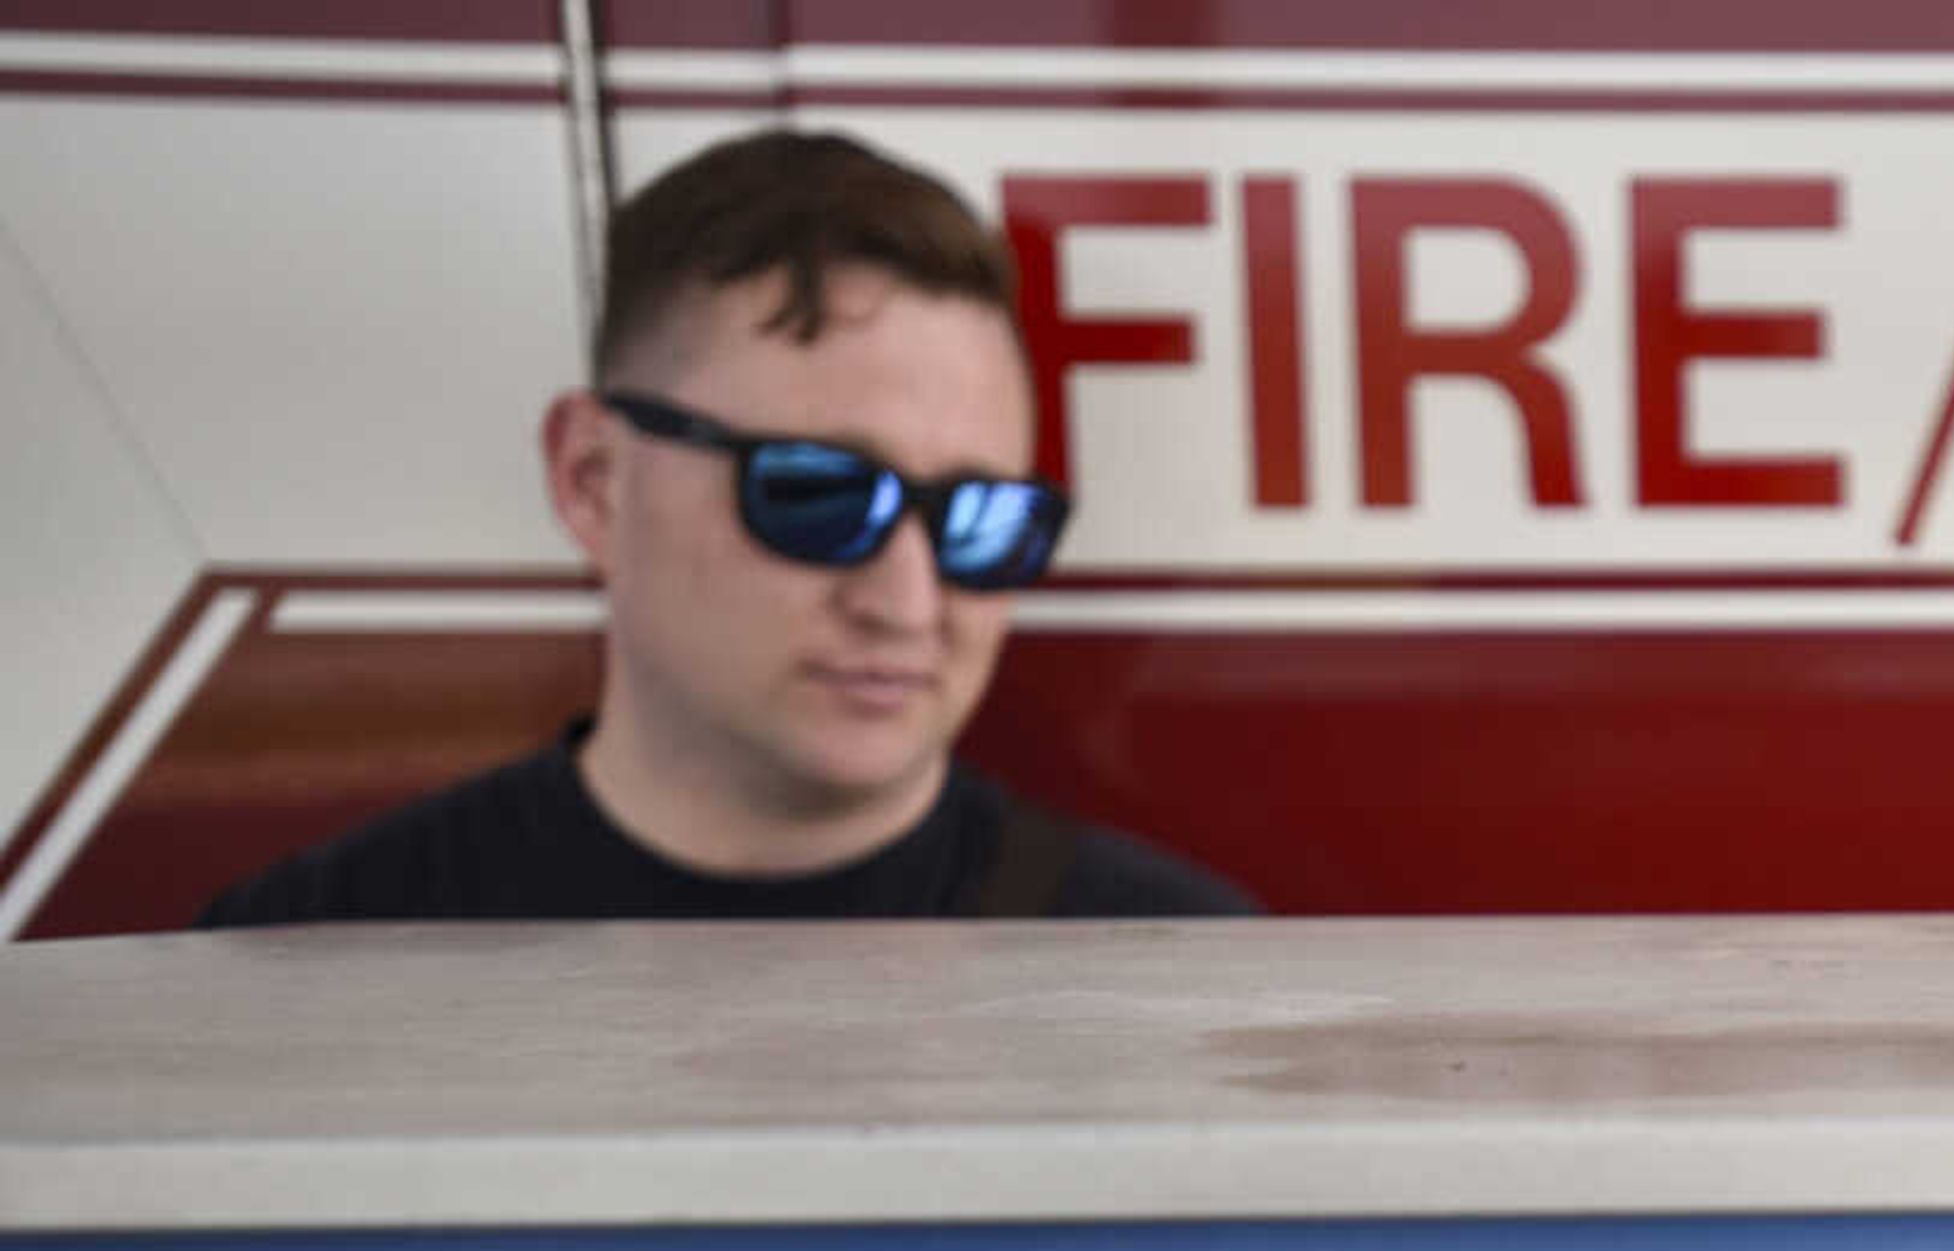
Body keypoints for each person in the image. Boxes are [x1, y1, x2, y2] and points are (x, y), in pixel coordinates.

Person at [203, 130, 1252, 924]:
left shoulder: (1178, 987)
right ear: (593, 480)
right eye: (817, 495)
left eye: (982, 521)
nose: (908, 602)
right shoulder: (301, 981)